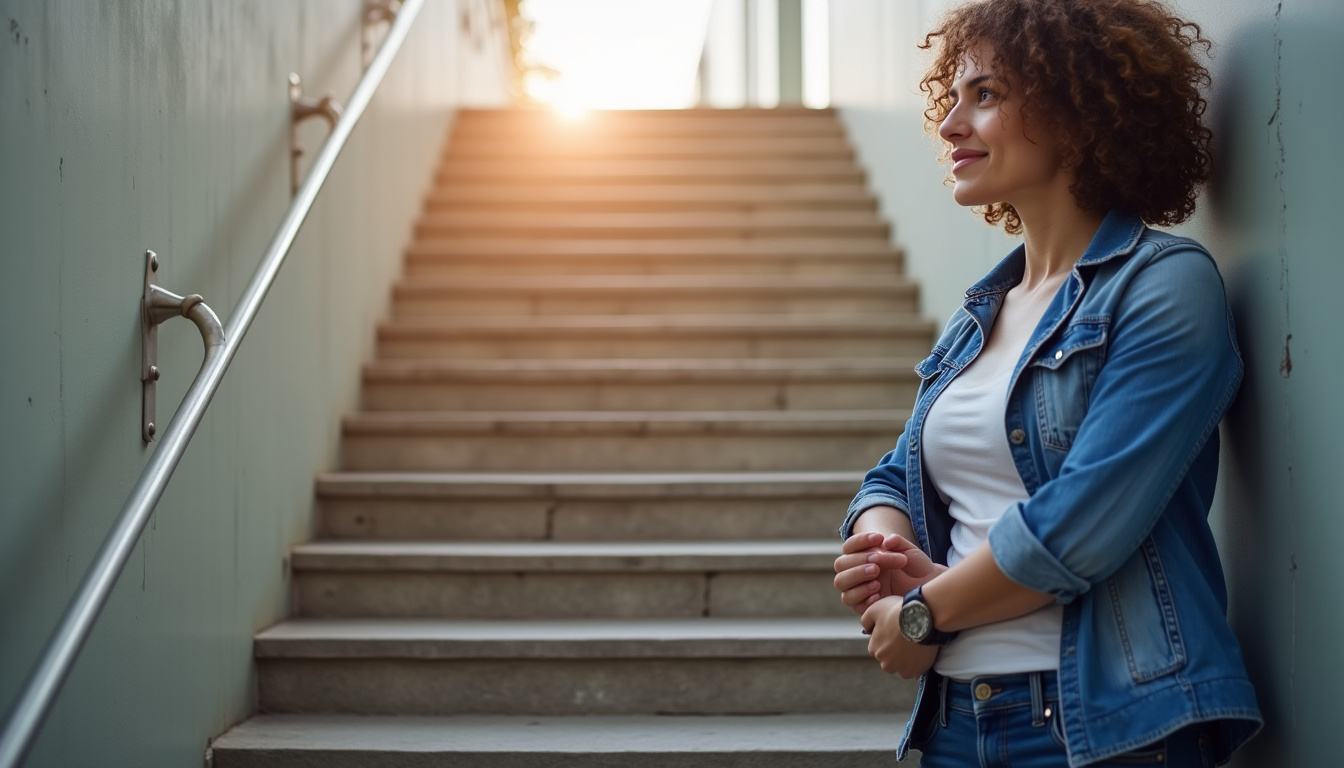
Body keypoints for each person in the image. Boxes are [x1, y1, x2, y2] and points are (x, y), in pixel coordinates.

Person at [830, 1, 1263, 766]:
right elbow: (893, 475)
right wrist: (884, 558)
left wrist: (927, 613)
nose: (950, 125)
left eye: (985, 95)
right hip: (959, 722)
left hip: (1108, 725)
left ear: (1079, 111)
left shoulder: (1164, 287)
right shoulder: (981, 313)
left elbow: (1080, 526)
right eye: (953, 97)